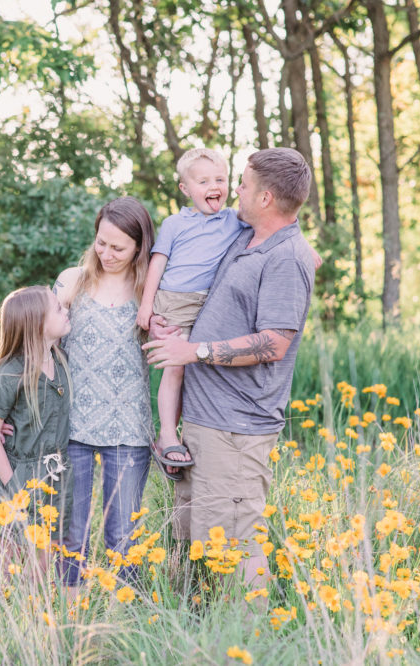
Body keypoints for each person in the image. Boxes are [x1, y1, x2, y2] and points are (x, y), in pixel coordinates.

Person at [142, 148, 317, 590]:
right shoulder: (246, 235)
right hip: (202, 421)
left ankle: (251, 641)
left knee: (233, 548)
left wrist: (193, 352)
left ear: (265, 198)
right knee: (197, 544)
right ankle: (198, 637)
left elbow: (274, 342)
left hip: (237, 430)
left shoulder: (286, 258)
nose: (234, 189)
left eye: (242, 183)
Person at [53, 196, 156, 590]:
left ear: (139, 246)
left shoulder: (149, 290)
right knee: (70, 530)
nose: (107, 254)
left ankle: (122, 618)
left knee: (123, 537)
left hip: (128, 428)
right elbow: (39, 341)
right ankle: (68, 611)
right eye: (101, 243)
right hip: (72, 424)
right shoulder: (73, 280)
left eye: (119, 247)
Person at [136, 148, 245, 479]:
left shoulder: (234, 220)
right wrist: (146, 304)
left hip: (210, 304)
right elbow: (158, 262)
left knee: (200, 368)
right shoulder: (175, 223)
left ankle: (187, 434)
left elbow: (274, 224)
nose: (214, 186)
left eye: (220, 179)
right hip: (175, 301)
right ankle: (167, 435)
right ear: (185, 188)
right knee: (176, 369)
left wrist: (303, 243)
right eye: (203, 181)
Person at [0, 285, 74, 579]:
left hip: (56, 476)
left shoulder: (61, 360)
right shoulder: (10, 373)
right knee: (12, 559)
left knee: (44, 565)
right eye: (58, 309)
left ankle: (37, 620)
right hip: (20, 477)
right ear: (37, 325)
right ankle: (2, 619)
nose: (66, 310)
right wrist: (14, 488)